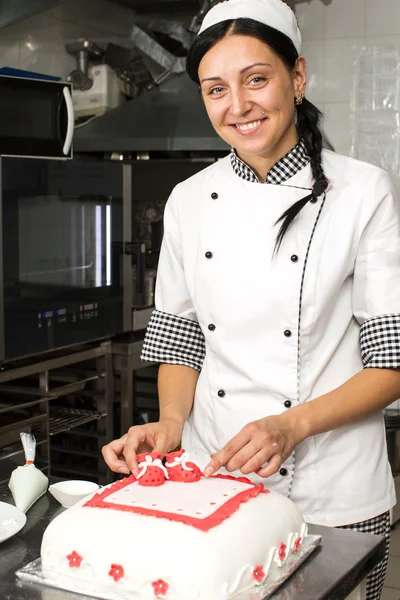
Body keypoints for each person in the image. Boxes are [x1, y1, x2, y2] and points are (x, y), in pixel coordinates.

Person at [102, 1, 400, 597]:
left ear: (298, 77)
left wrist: (293, 425)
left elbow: (391, 362)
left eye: (256, 79)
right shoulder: (189, 199)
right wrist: (168, 424)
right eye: (216, 89)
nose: (237, 106)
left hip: (333, 489)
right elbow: (181, 337)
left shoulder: (362, 192)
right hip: (218, 484)